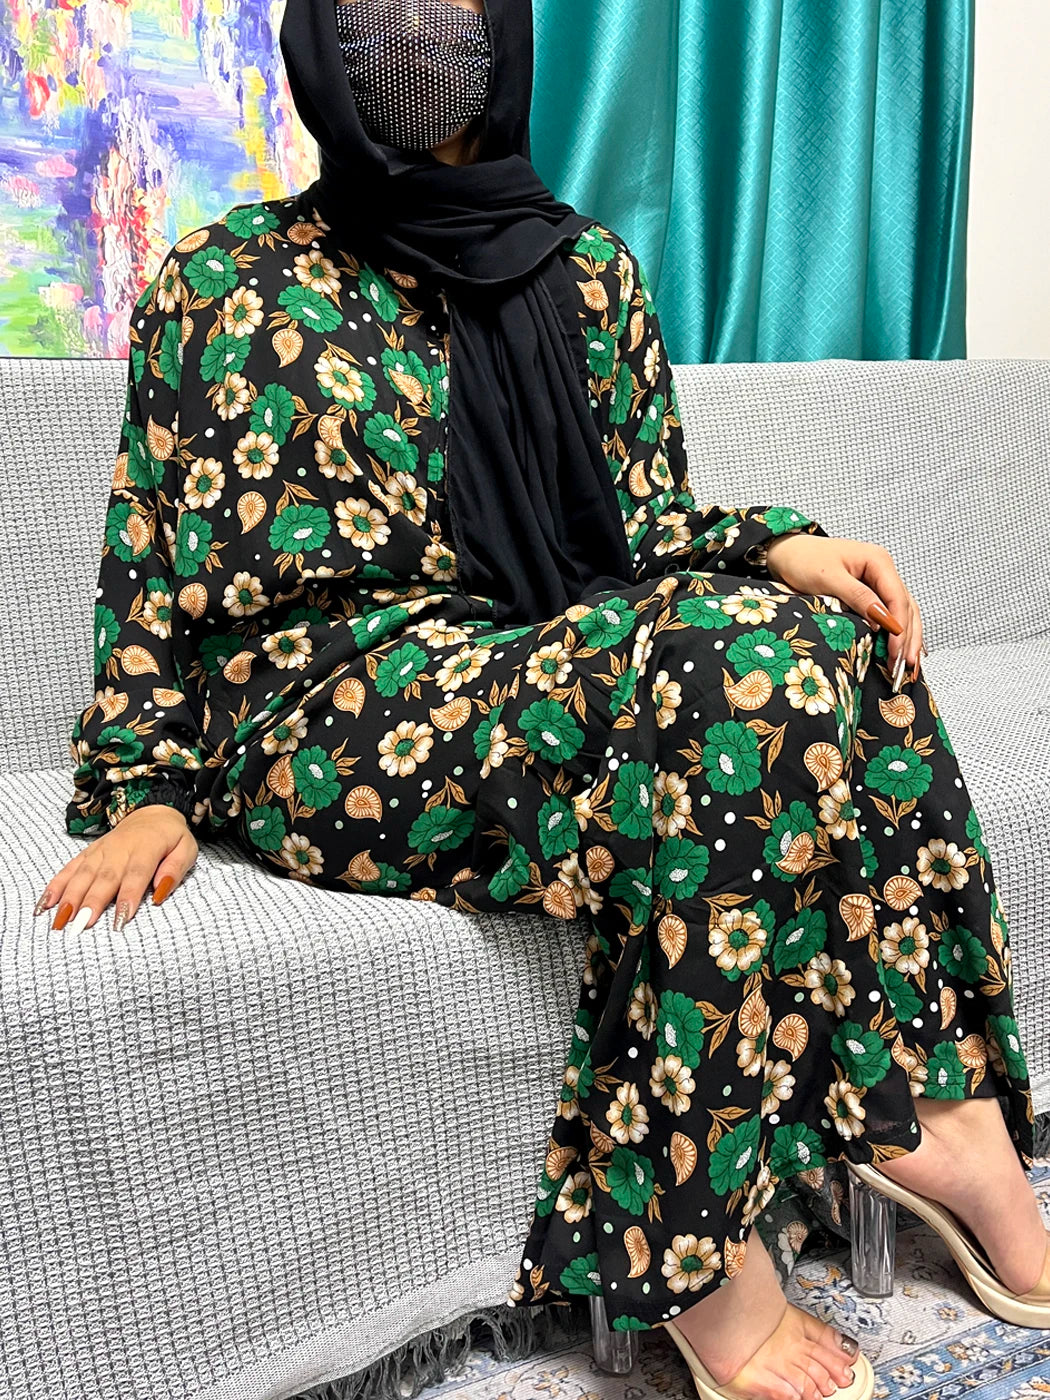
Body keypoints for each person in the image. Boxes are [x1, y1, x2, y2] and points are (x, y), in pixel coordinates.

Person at [40, 1, 1046, 1396]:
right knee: (735, 674)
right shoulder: (226, 280)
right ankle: (699, 1246)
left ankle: (941, 1113)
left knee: (836, 635)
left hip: (532, 659)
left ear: (504, 37)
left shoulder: (589, 273)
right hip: (328, 710)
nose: (412, 29)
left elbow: (636, 528)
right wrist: (146, 788)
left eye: (449, 5)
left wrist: (773, 545)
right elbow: (151, 553)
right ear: (316, 42)